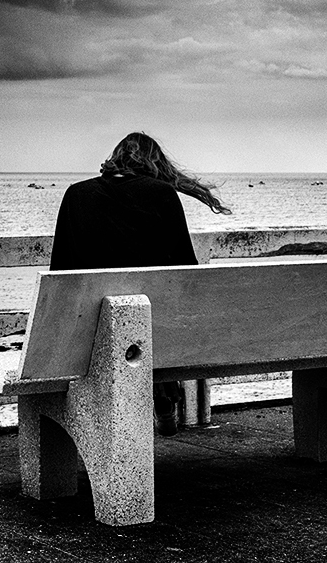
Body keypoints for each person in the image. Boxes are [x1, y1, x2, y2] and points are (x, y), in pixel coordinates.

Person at [49, 131, 231, 435]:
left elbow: (60, 270)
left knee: (125, 317)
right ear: (154, 163)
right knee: (147, 316)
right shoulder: (161, 194)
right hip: (149, 325)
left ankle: (156, 399)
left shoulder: (75, 194)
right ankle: (162, 396)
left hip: (91, 326)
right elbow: (185, 270)